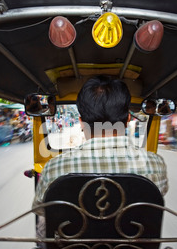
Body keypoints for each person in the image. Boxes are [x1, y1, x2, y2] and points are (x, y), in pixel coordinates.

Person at [32, 75, 169, 237]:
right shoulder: (155, 164)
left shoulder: (54, 167)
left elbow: (40, 208)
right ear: (128, 120)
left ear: (81, 123)